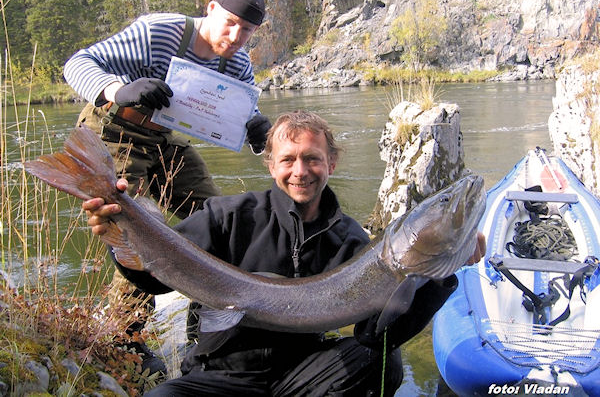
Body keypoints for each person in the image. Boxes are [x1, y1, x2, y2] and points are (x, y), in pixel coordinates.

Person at [83, 110, 486, 396]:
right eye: (289, 160)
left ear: (331, 162)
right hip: (221, 375)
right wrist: (121, 239)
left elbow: (375, 337)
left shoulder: (351, 241)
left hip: (301, 375)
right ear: (271, 166)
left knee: (383, 363)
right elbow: (154, 279)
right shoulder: (226, 215)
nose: (301, 171)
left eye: (312, 158)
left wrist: (437, 280)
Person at [64, 0, 272, 375]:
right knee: (141, 230)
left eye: (246, 30)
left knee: (220, 218)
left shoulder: (239, 65)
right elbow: (77, 63)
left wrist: (258, 129)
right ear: (210, 8)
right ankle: (127, 339)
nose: (235, 36)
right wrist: (118, 88)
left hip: (161, 138)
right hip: (111, 134)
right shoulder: (159, 32)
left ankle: (208, 328)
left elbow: (241, 115)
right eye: (229, 23)